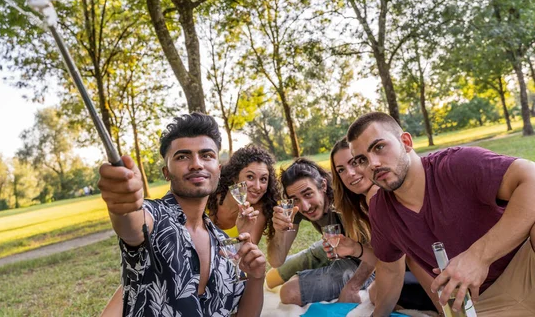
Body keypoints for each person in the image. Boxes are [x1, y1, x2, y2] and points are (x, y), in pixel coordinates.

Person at [346, 111, 535, 317]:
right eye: (362, 160)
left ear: (406, 142)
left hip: (525, 262)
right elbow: (390, 271)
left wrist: (479, 256)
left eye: (379, 147)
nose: (373, 163)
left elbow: (531, 178)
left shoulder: (456, 164)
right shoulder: (381, 211)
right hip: (479, 302)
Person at [97, 112, 266, 317]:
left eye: (207, 155)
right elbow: (132, 224)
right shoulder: (154, 216)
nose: (196, 164)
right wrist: (123, 204)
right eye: (182, 156)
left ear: (218, 170)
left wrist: (256, 278)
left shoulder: (225, 245)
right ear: (166, 172)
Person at [329, 138, 439, 312]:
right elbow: (388, 258)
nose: (349, 173)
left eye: (354, 163)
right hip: (433, 273)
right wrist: (355, 248)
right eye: (341, 170)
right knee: (374, 290)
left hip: (438, 276)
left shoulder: (375, 194)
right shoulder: (371, 198)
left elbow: (401, 262)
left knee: (376, 291)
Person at [265, 158, 374, 306]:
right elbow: (276, 260)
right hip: (332, 247)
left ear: (323, 185)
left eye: (308, 194)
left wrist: (352, 287)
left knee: (289, 293)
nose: (305, 206)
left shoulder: (345, 202)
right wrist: (279, 231)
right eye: (295, 199)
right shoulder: (298, 208)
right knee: (271, 279)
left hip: (364, 260)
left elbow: (377, 253)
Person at [207, 144, 279, 244]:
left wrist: (243, 231)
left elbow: (247, 253)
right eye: (250, 177)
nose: (257, 187)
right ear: (235, 177)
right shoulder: (208, 197)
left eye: (263, 179)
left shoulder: (257, 212)